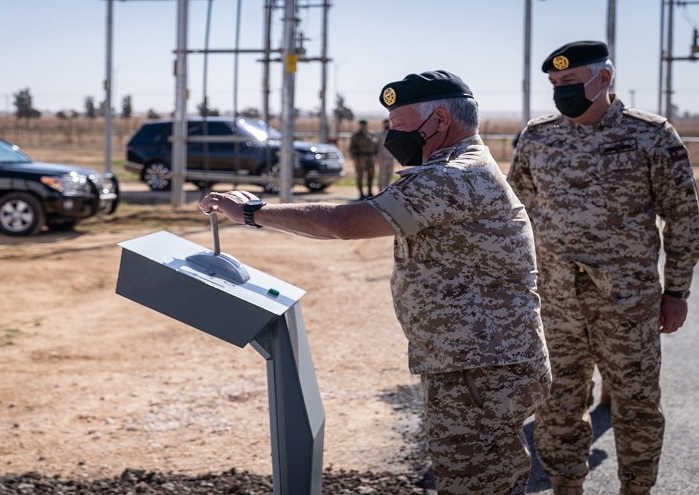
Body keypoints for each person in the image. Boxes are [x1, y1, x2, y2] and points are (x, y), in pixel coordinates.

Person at [200, 70, 551, 495]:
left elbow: (345, 222)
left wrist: (253, 212)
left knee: (476, 485)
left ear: (439, 120)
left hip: (481, 367)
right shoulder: (453, 169)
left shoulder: (456, 175)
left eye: (400, 127)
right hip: (476, 361)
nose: (392, 136)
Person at [508, 41, 699, 495]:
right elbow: (516, 212)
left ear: (604, 79)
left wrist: (676, 292)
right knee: (557, 405)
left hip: (627, 302)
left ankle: (636, 488)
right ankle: (565, 486)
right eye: (555, 84)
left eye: (571, 82)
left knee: (636, 405)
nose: (561, 92)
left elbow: (685, 216)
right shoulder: (538, 136)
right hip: (555, 303)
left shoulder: (650, 135)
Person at [348, 118, 377, 199]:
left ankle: (370, 192)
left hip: (370, 158)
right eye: (361, 125)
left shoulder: (371, 134)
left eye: (364, 125)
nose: (363, 127)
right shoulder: (356, 136)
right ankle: (361, 193)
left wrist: (376, 156)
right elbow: (351, 148)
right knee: (360, 176)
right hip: (360, 158)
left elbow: (375, 147)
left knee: (371, 175)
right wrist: (355, 158)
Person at [375, 118, 397, 190]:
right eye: (386, 123)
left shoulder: (393, 134)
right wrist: (377, 157)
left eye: (388, 123)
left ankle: (387, 190)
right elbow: (376, 147)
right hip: (382, 159)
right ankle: (380, 190)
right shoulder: (379, 134)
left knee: (389, 175)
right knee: (382, 175)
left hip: (391, 158)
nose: (387, 125)